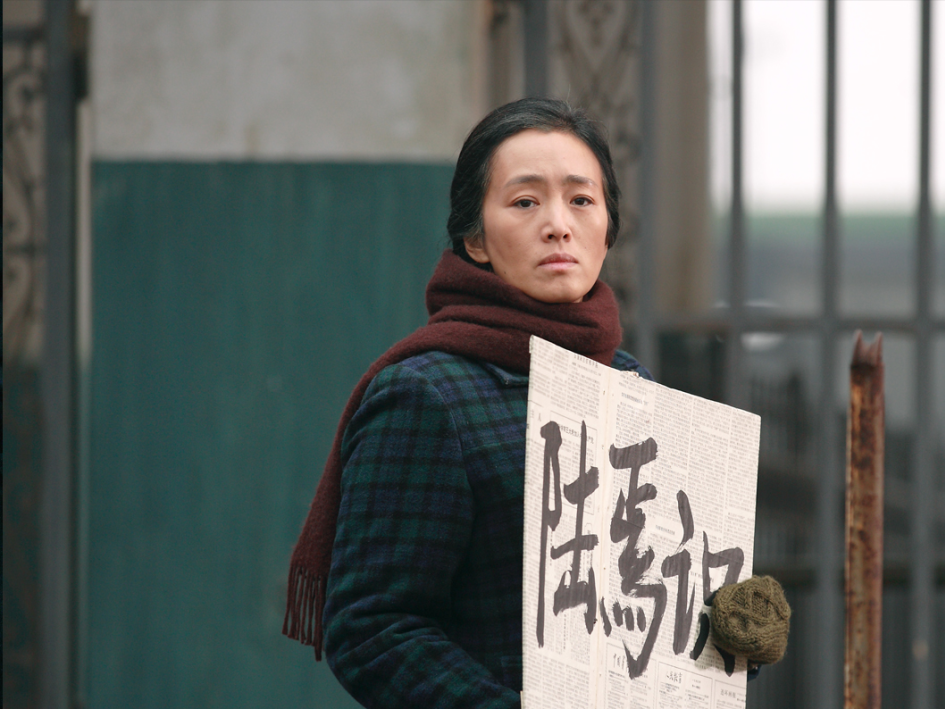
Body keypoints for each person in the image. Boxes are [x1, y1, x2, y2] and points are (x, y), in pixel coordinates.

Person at [284, 98, 788, 708]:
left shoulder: (633, 384)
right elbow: (372, 631)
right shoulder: (426, 396)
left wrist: (729, 630)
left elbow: (655, 626)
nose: (558, 224)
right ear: (474, 238)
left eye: (581, 200)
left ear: (608, 229)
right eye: (525, 202)